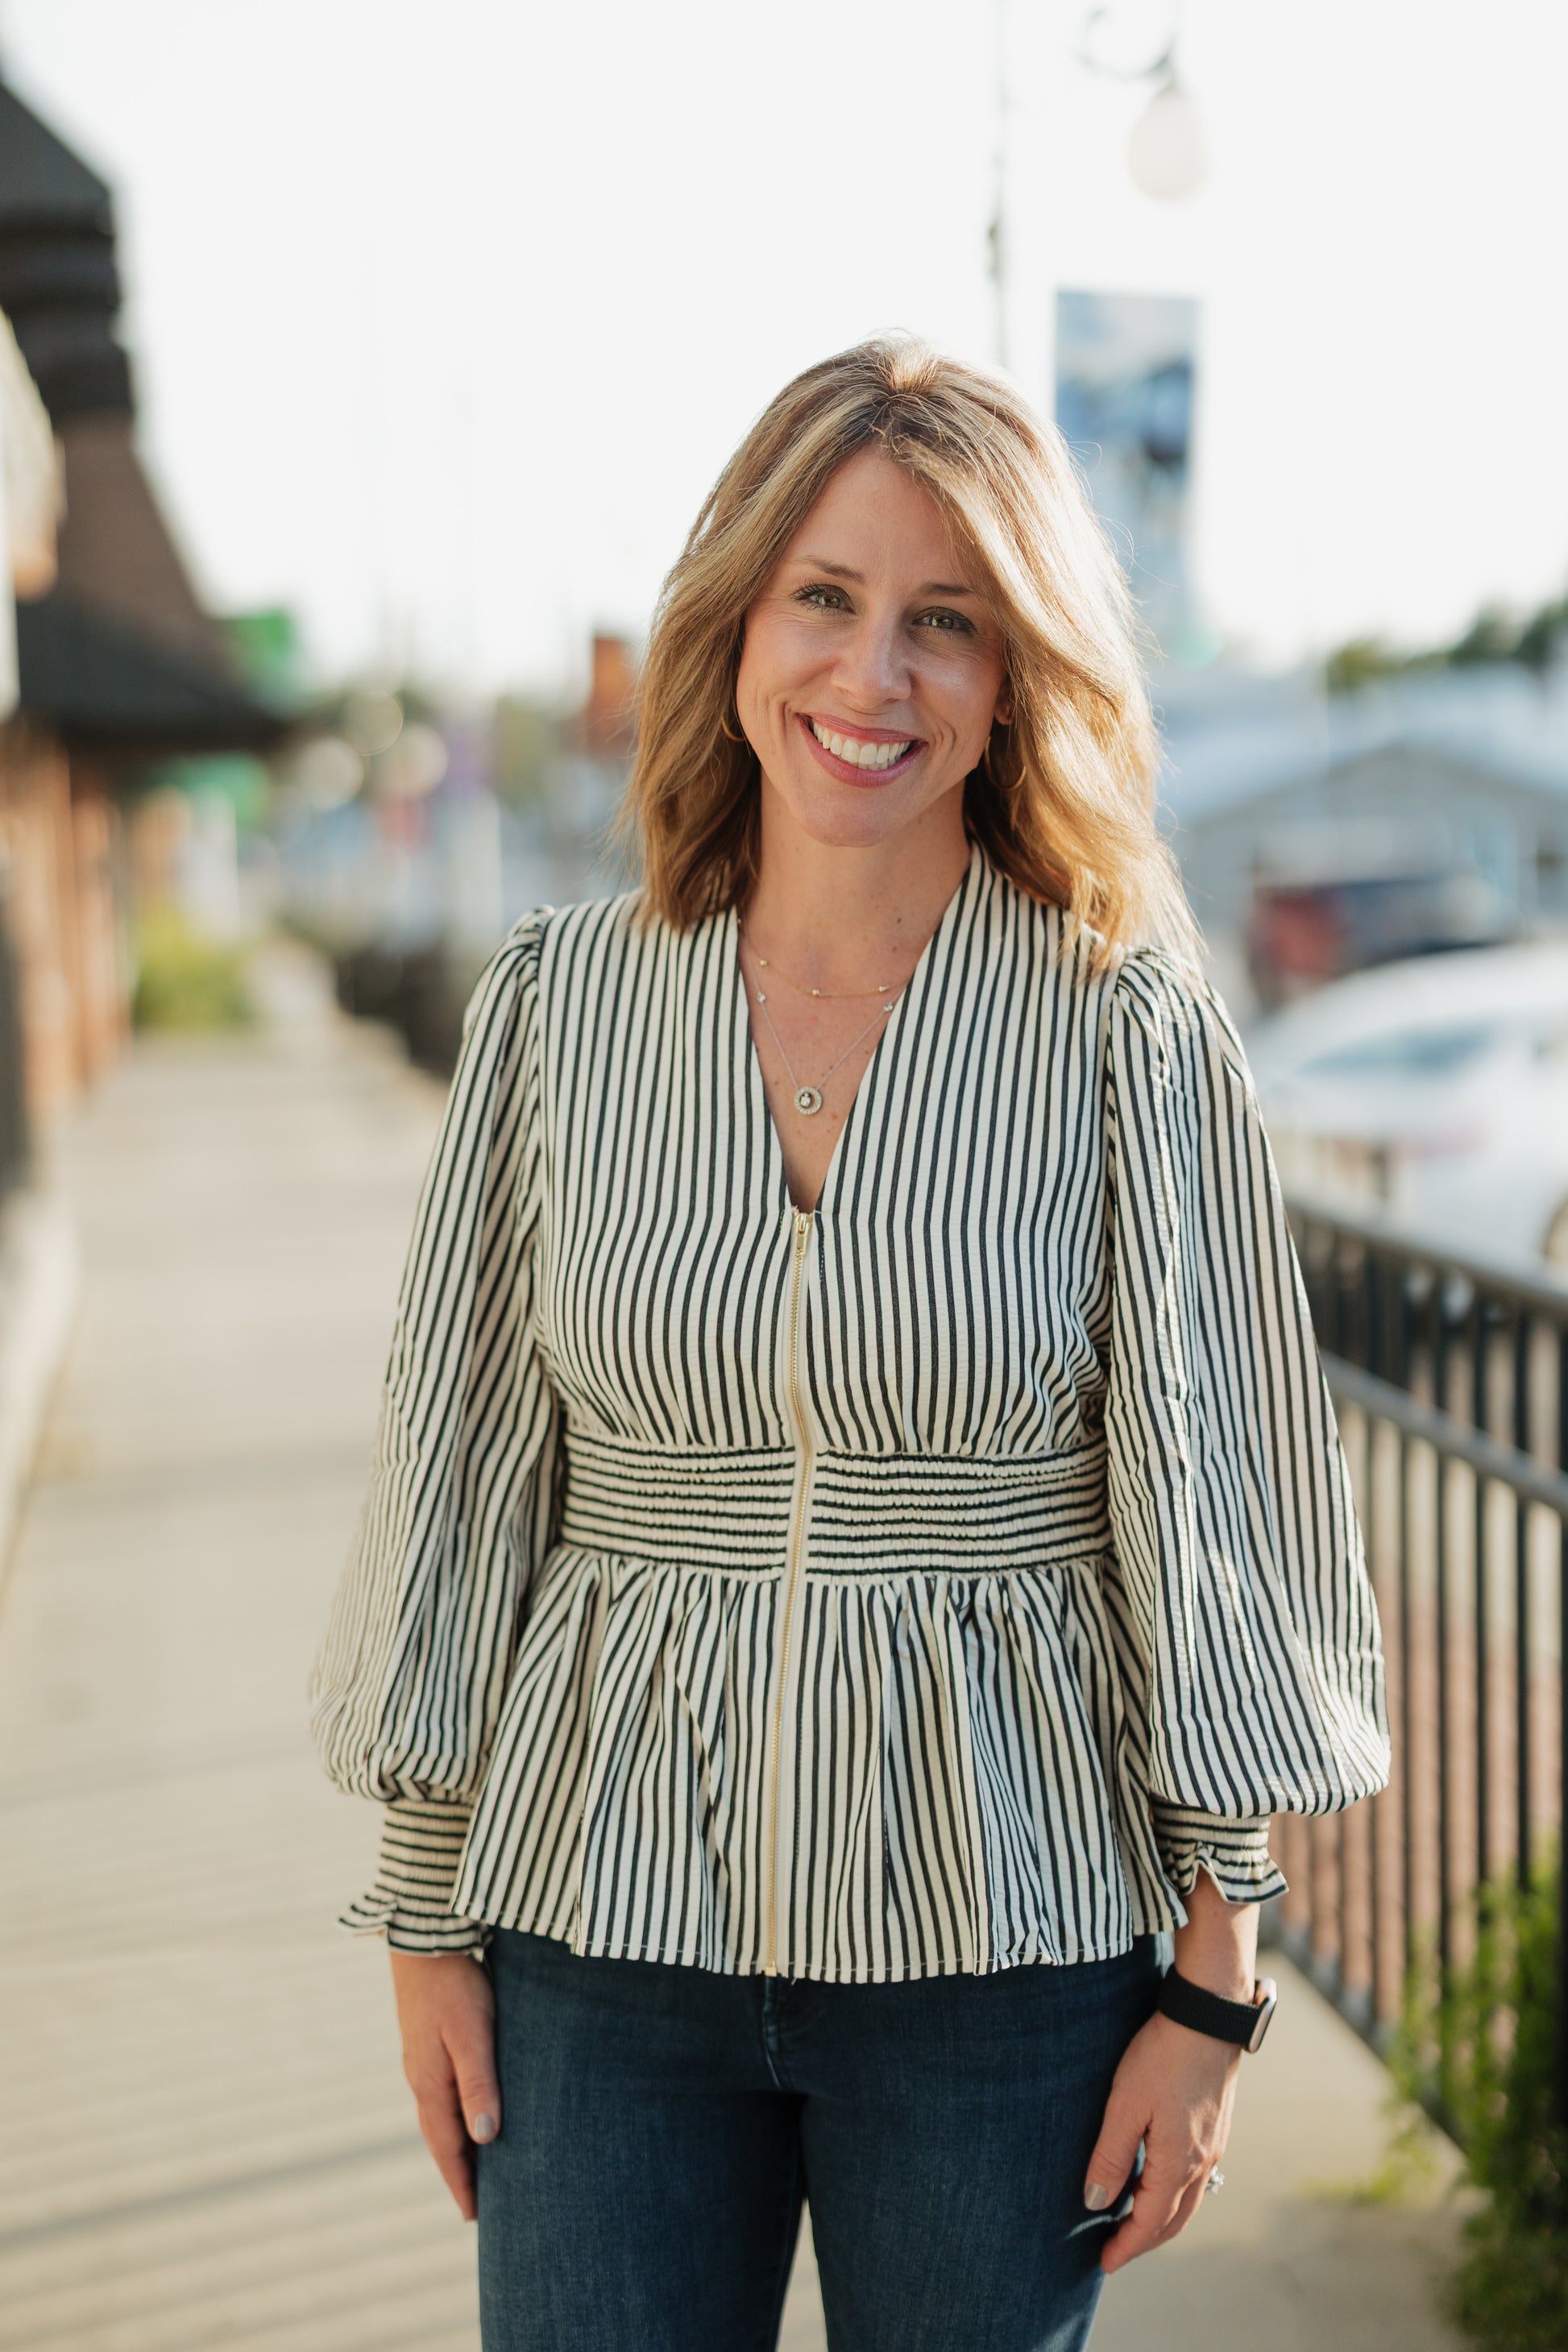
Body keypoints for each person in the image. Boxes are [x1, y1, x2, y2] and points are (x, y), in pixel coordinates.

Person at [311, 337, 1388, 2352]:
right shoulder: (561, 1009)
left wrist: (1213, 1975)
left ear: (1014, 680)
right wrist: (423, 1907)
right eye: (825, 597)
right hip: (594, 1929)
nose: (869, 678)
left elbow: (1214, 1506)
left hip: (1005, 1961)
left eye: (943, 623)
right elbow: (460, 1468)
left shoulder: (1119, 1035)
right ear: (733, 625)